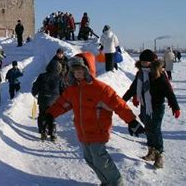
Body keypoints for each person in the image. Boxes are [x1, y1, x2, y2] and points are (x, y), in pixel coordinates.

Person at [46, 52, 145, 186]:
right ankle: (106, 181)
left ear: (87, 71)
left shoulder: (101, 89)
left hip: (98, 130)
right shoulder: (72, 90)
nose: (77, 74)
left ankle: (116, 183)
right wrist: (50, 114)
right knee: (90, 159)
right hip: (83, 131)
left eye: (80, 70)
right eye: (74, 71)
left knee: (100, 159)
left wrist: (131, 121)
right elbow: (63, 104)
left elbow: (118, 104)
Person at [122, 49, 180, 168]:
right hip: (145, 106)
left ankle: (160, 155)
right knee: (148, 128)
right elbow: (133, 88)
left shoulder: (159, 74)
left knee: (155, 129)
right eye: (142, 62)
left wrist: (175, 107)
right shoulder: (140, 73)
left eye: (147, 62)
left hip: (157, 106)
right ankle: (151, 151)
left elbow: (169, 91)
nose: (144, 64)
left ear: (153, 62)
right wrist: (122, 100)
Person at [31, 60, 64, 141]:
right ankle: (52, 132)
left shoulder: (42, 76)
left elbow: (36, 87)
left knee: (42, 114)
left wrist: (34, 93)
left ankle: (43, 130)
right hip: (54, 101)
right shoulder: (60, 78)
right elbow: (63, 90)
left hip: (43, 99)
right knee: (51, 115)